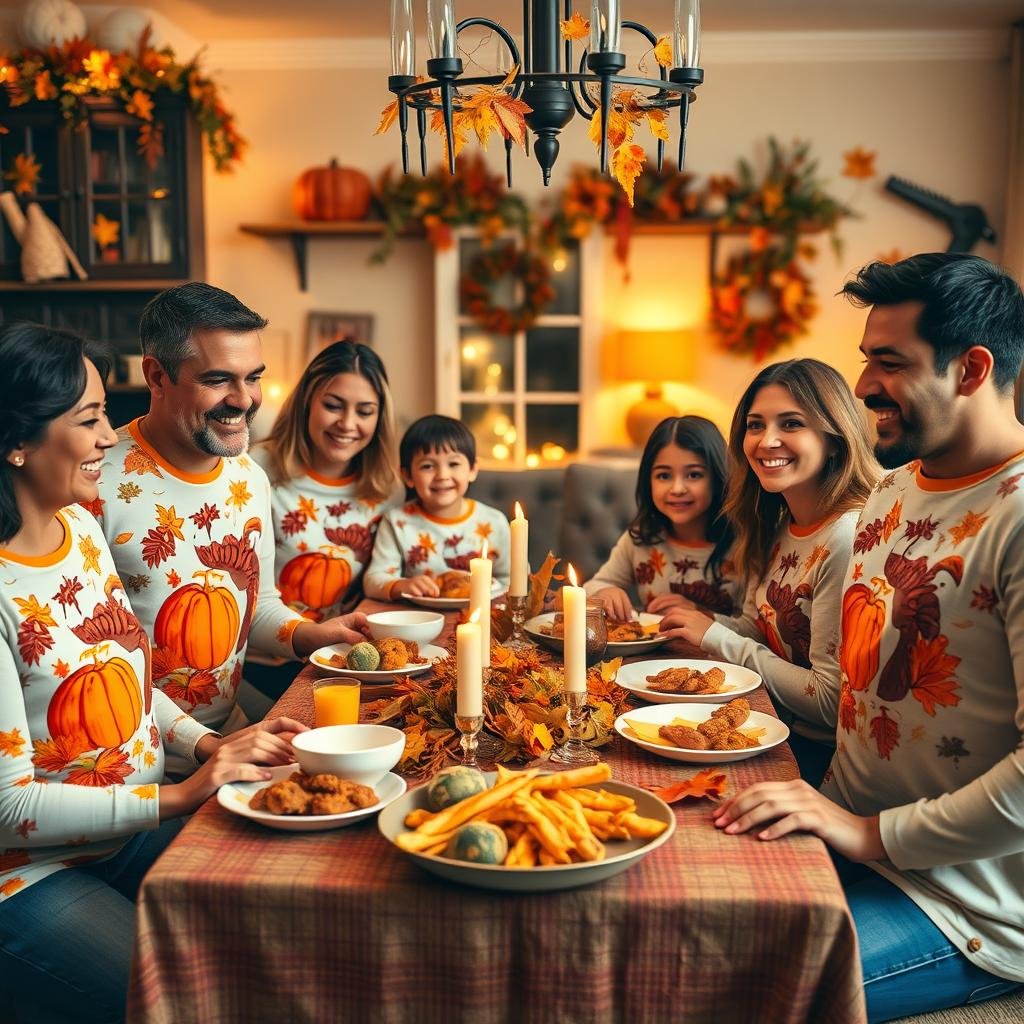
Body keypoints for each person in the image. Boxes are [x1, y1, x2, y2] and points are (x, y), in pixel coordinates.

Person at [712, 254, 1024, 1022]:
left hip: (958, 903)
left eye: (889, 363)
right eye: (865, 360)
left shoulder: (1016, 517)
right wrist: (827, 813)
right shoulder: (889, 493)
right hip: (837, 825)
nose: (861, 387)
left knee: (734, 996)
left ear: (972, 368)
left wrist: (866, 833)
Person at [0, 322, 304, 1023]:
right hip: (31, 873)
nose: (109, 437)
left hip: (124, 833)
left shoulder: (78, 530)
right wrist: (178, 797)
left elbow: (132, 680)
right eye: (88, 419)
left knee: (271, 910)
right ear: (15, 443)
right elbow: (10, 807)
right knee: (186, 999)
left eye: (107, 413)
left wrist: (208, 746)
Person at [88, 283, 367, 774]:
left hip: (231, 733)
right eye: (219, 379)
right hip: (145, 764)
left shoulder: (248, 476)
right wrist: (209, 745)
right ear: (157, 375)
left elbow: (254, 605)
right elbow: (100, 662)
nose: (244, 400)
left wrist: (312, 634)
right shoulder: (93, 484)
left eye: (253, 377)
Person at [660, 359, 879, 784]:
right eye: (755, 425)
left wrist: (717, 637)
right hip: (773, 725)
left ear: (834, 440)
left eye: (792, 423)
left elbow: (830, 700)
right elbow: (757, 628)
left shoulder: (846, 538)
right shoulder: (777, 523)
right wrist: (700, 622)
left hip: (820, 757)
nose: (766, 441)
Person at [248, 342, 400, 696]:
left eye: (365, 411)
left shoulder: (386, 487)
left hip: (349, 660)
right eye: (333, 406)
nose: (348, 424)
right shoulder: (257, 469)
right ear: (306, 402)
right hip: (267, 665)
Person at [582, 415, 741, 620]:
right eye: (664, 476)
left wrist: (699, 613)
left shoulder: (743, 546)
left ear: (717, 478)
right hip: (654, 651)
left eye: (693, 475)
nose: (677, 489)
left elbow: (753, 628)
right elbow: (593, 585)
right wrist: (604, 592)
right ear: (648, 482)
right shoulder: (641, 537)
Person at [364, 415, 511, 599]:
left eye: (453, 464)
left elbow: (510, 579)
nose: (442, 475)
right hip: (421, 619)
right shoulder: (396, 522)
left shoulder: (494, 521)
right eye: (427, 466)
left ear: (473, 469)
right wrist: (401, 585)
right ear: (408, 476)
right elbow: (373, 579)